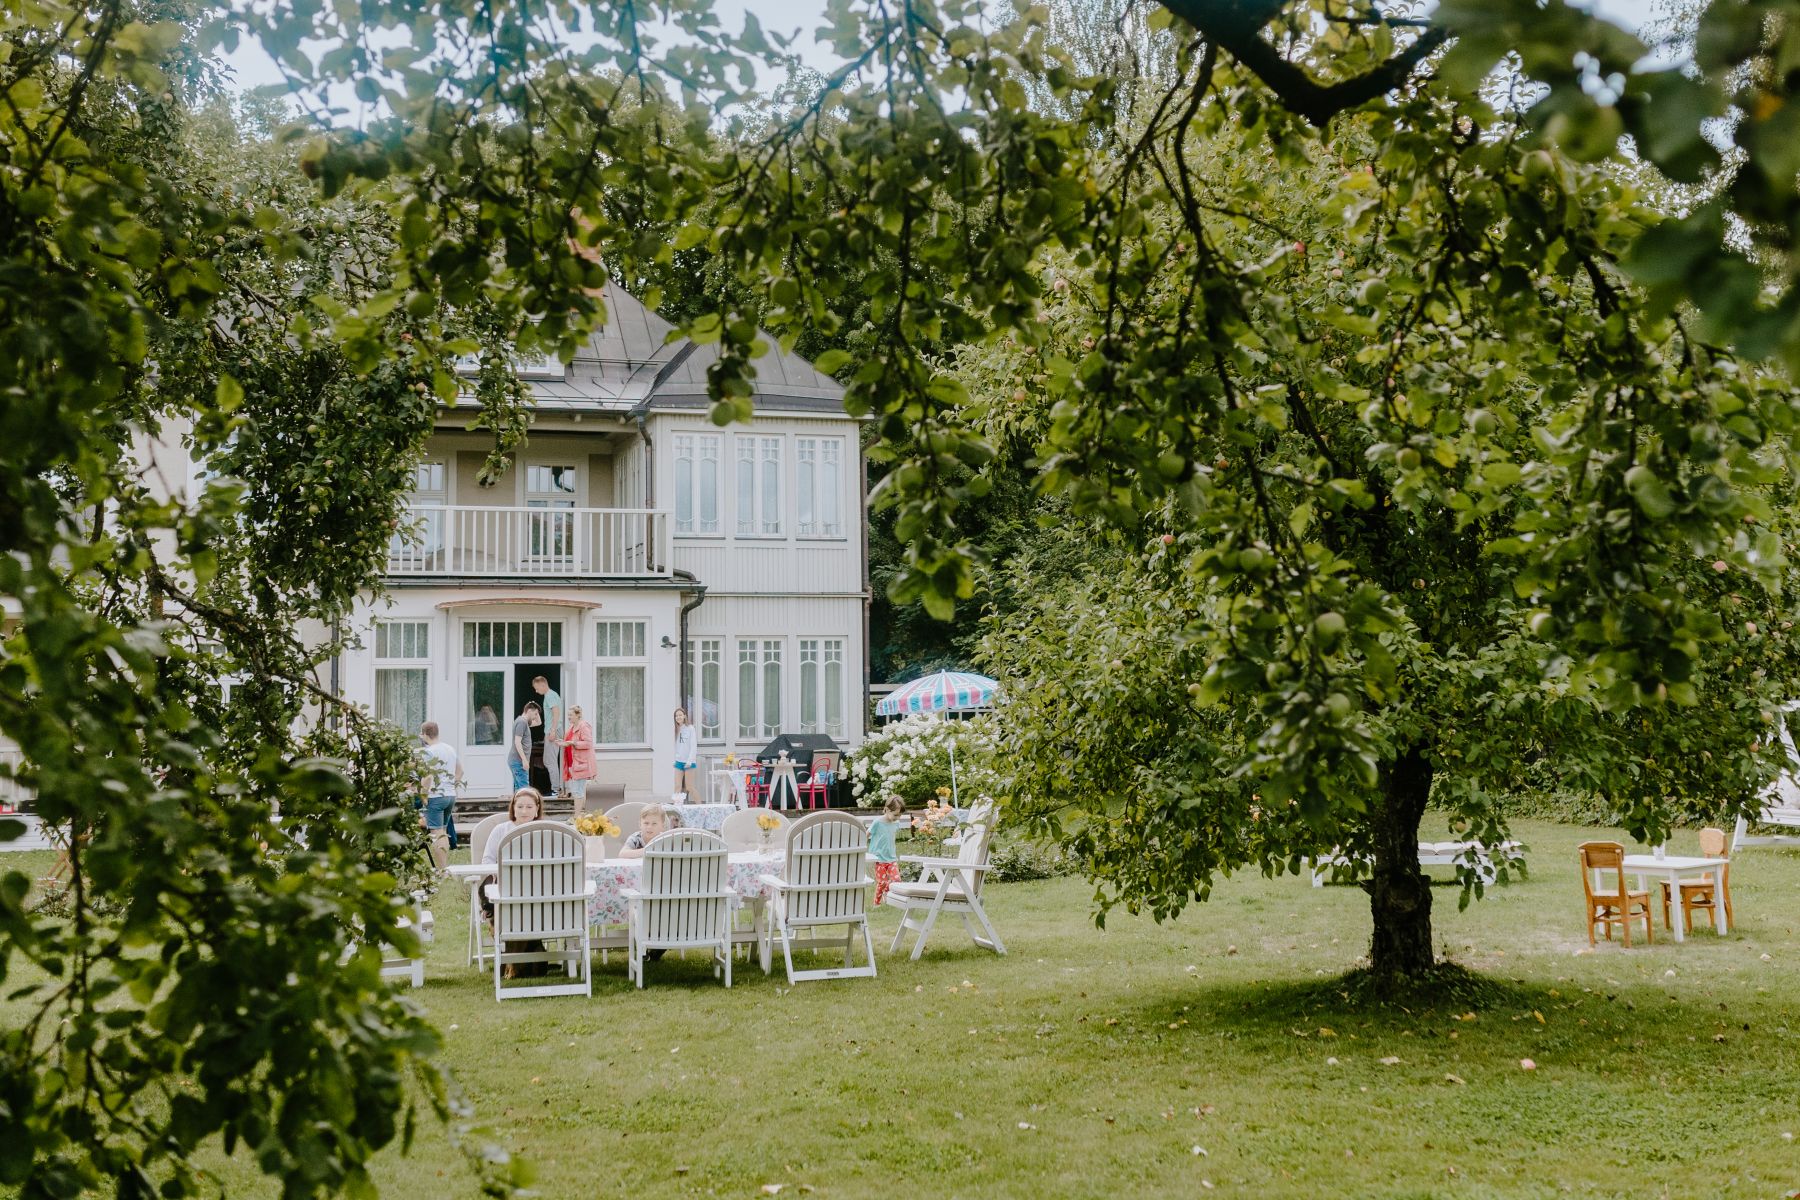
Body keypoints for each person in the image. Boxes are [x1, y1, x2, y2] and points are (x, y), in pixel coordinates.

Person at [483, 787, 546, 977]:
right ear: (513, 808)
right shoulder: (501, 830)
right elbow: (487, 861)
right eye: (520, 806)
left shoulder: (547, 831)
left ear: (537, 809)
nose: (524, 811)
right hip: (506, 889)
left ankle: (516, 964)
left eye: (529, 806)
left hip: (538, 893)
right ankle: (516, 963)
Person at [418, 722, 463, 871]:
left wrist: (423, 795)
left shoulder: (429, 752)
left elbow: (427, 776)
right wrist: (450, 785)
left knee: (437, 834)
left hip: (435, 796)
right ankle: (445, 868)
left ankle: (443, 870)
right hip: (450, 795)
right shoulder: (449, 748)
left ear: (424, 734)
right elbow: (460, 772)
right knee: (443, 832)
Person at [869, 795, 905, 904]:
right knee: (882, 882)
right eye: (895, 815)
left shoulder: (896, 823)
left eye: (899, 815)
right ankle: (877, 903)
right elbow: (867, 834)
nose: (897, 818)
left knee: (897, 880)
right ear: (887, 809)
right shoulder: (877, 822)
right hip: (879, 858)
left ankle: (887, 893)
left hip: (892, 858)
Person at [531, 675, 564, 795]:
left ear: (542, 684)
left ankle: (556, 789)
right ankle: (556, 788)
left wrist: (553, 730)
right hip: (551, 730)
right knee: (547, 760)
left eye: (536, 688)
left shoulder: (550, 695)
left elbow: (556, 712)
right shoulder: (550, 695)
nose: (536, 690)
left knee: (550, 761)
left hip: (553, 730)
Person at [564, 705, 597, 821]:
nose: (568, 717)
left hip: (582, 764)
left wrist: (573, 743)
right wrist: (564, 743)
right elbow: (570, 742)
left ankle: (577, 816)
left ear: (578, 715)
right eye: (568, 715)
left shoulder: (583, 726)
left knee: (578, 791)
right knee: (576, 791)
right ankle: (578, 815)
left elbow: (588, 743)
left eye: (570, 715)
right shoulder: (572, 727)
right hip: (574, 763)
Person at [507, 702, 540, 792]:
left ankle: (517, 806)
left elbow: (538, 723)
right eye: (535, 714)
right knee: (524, 790)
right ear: (529, 711)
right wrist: (524, 760)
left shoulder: (524, 722)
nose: (536, 716)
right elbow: (517, 742)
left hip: (517, 760)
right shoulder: (522, 722)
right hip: (518, 761)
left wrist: (534, 705)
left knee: (519, 789)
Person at [672, 706, 699, 800]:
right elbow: (675, 747)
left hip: (689, 762)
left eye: (680, 715)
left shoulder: (690, 728)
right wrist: (674, 759)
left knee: (689, 787)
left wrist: (690, 760)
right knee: (677, 787)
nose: (678, 717)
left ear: (684, 716)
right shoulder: (675, 730)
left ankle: (701, 808)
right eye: (676, 716)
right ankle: (675, 809)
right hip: (679, 762)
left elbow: (693, 746)